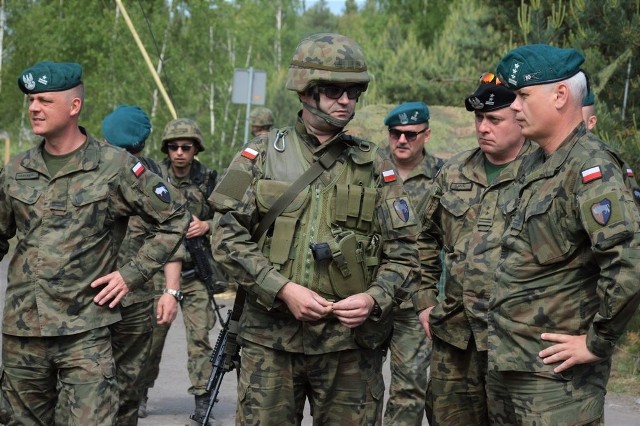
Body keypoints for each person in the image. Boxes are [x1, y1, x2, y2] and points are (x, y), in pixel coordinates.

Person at [209, 32, 422, 425]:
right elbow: (224, 238)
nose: (346, 101)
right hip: (270, 344)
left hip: (349, 349)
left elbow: (407, 252)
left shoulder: (377, 166)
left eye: (354, 91)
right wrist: (282, 289)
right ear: (305, 92)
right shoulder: (259, 157)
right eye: (333, 90)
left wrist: (376, 297)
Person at [0, 61, 188, 426]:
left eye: (44, 100)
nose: (34, 108)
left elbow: (175, 217)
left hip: (86, 330)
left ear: (74, 107)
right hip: (23, 331)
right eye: (31, 101)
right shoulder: (15, 170)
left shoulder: (114, 165)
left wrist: (131, 274)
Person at [486, 44, 640, 424]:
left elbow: (628, 262)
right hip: (512, 364)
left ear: (559, 96)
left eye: (523, 96)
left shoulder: (592, 168)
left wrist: (597, 342)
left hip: (557, 384)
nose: (514, 107)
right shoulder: (537, 162)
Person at [417, 72, 533, 425]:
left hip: (518, 344)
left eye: (494, 119)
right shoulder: (454, 171)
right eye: (479, 118)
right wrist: (424, 299)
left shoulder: (543, 172)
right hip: (455, 339)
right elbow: (423, 237)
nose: (483, 127)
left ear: (520, 118)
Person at [101, 105, 183, 425]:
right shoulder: (152, 177)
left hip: (118, 298)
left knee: (117, 389)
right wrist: (172, 291)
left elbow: (170, 237)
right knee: (118, 390)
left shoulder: (148, 177)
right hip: (122, 297)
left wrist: (171, 291)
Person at [137, 118, 219, 422]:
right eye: (174, 147)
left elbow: (233, 218)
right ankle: (140, 392)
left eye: (186, 147)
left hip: (195, 274)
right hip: (159, 274)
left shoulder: (210, 180)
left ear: (196, 148)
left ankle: (202, 399)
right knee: (151, 339)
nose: (180, 152)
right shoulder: (153, 178)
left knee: (200, 340)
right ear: (166, 149)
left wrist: (208, 225)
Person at [380, 101, 442, 425]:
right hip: (368, 297)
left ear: (426, 134)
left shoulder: (443, 177)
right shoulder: (366, 167)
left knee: (410, 390)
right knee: (356, 388)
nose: (402, 141)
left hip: (413, 304)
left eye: (410, 134)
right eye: (395, 134)